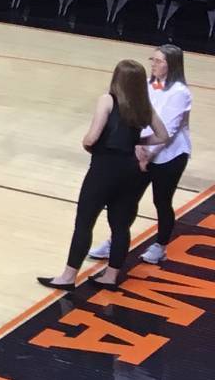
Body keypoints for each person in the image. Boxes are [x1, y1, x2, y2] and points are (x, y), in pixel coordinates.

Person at [43, 58, 167, 291]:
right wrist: (136, 141)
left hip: (104, 169)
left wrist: (88, 144)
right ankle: (110, 277)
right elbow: (162, 135)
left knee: (84, 223)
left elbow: (92, 137)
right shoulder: (144, 105)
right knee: (120, 226)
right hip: (130, 171)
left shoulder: (108, 100)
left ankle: (69, 276)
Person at [92, 44, 191, 269]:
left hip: (170, 156)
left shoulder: (180, 92)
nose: (153, 65)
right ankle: (115, 242)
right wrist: (135, 146)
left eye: (159, 61)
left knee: (161, 201)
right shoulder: (147, 85)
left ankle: (160, 246)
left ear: (172, 65)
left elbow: (170, 129)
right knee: (128, 200)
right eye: (152, 60)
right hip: (140, 150)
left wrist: (147, 153)